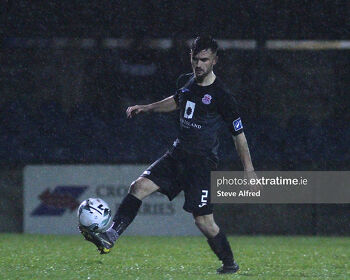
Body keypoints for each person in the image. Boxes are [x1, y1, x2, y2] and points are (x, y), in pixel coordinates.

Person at [79, 35, 256, 274]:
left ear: (215, 60)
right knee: (138, 187)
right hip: (177, 154)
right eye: (195, 59)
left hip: (200, 164)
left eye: (204, 59)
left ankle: (229, 263)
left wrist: (249, 171)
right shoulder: (186, 81)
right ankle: (111, 236)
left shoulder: (223, 96)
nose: (198, 64)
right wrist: (147, 107)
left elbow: (240, 137)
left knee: (204, 222)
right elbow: (176, 101)